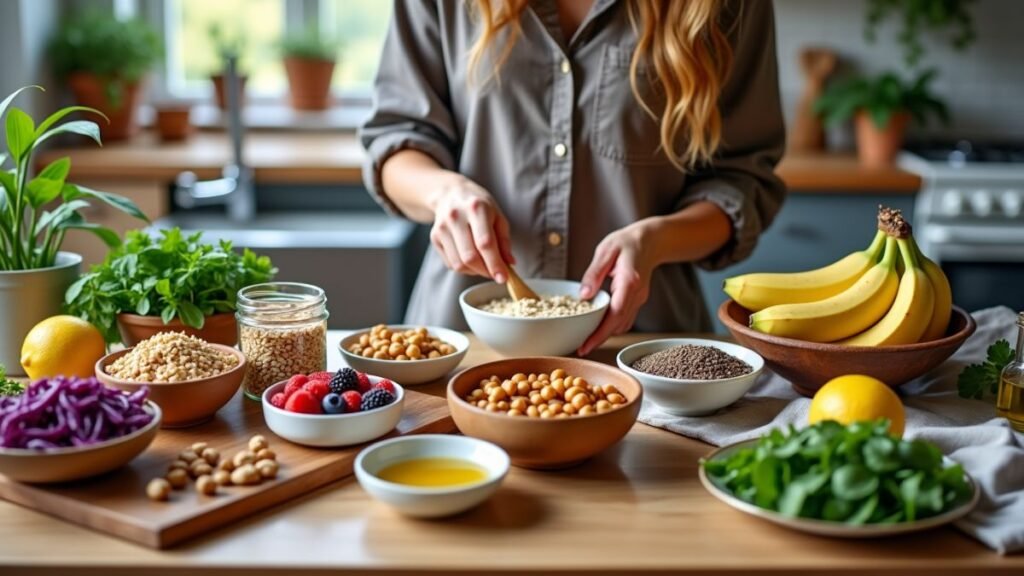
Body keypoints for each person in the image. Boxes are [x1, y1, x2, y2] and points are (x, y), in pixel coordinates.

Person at [360, 0, 785, 355]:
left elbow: (742, 179)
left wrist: (657, 240)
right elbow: (396, 141)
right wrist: (444, 193)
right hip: (462, 345)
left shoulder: (725, 7)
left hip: (640, 346)